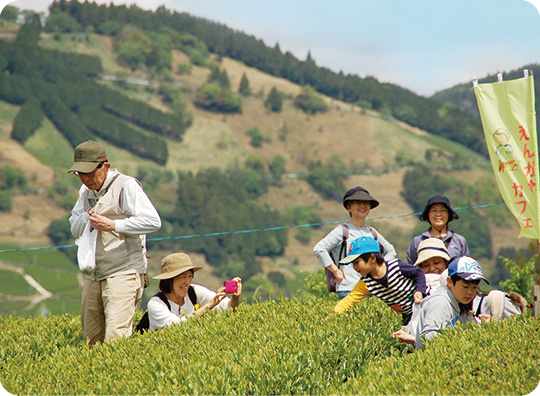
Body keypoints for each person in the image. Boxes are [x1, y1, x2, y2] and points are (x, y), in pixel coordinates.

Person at [69, 140, 161, 346]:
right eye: (80, 174)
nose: (85, 179)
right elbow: (74, 227)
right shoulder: (85, 192)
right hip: (94, 273)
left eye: (90, 173)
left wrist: (114, 225)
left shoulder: (126, 186)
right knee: (91, 340)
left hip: (124, 271)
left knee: (115, 341)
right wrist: (86, 217)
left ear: (106, 166)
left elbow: (153, 221)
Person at [313, 186, 397, 299]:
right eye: (357, 202)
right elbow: (319, 249)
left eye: (366, 202)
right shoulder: (342, 231)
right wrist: (336, 271)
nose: (362, 206)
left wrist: (380, 268)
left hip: (372, 289)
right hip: (349, 289)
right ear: (348, 208)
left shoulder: (372, 233)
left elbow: (391, 250)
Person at [394, 256, 492, 349]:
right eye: (465, 287)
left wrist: (484, 324)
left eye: (474, 287)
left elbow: (470, 326)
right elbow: (429, 340)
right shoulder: (440, 302)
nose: (470, 292)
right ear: (449, 282)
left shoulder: (459, 302)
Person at [338, 236, 427, 325]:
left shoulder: (395, 266)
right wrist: (333, 315)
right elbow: (350, 299)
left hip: (426, 305)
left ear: (373, 258)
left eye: (357, 262)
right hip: (408, 316)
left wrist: (419, 291)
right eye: (353, 264)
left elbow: (418, 272)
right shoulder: (366, 283)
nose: (355, 268)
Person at [148, 252, 242, 331]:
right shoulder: (156, 304)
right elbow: (177, 326)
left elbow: (228, 308)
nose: (188, 282)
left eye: (190, 276)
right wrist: (209, 306)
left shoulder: (194, 291)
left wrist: (235, 298)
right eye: (183, 277)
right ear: (169, 280)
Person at [406, 195, 469, 265]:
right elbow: (412, 268)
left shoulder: (459, 241)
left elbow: (466, 266)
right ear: (428, 215)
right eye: (434, 210)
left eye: (443, 210)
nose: (438, 214)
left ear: (449, 214)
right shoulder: (418, 241)